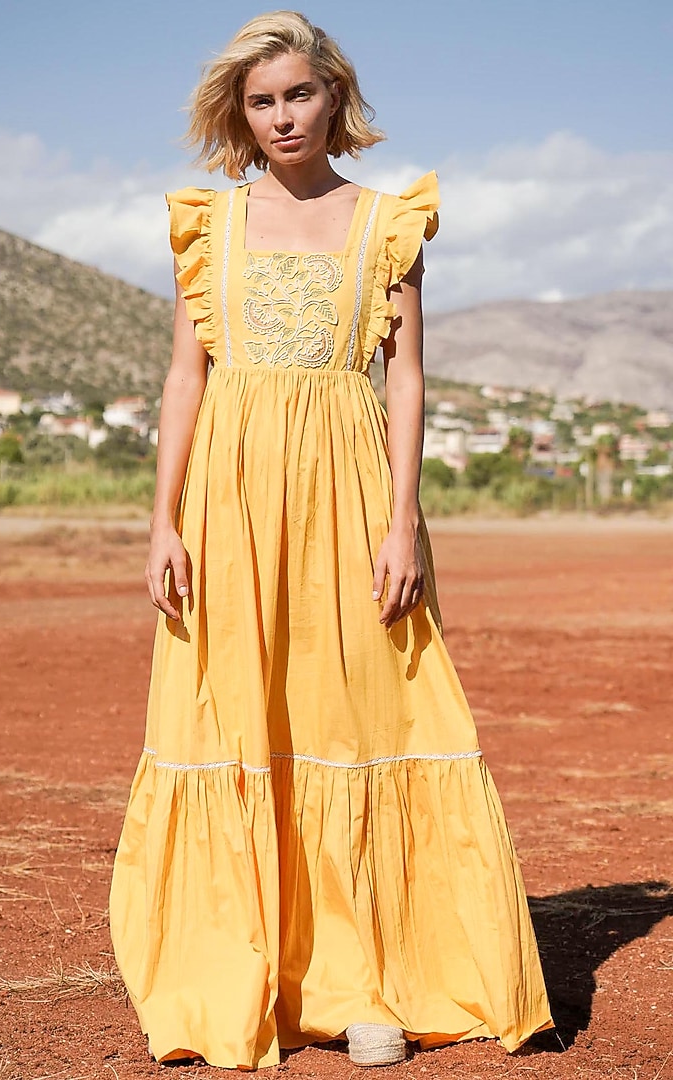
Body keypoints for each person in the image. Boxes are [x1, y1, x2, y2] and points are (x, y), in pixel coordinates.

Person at [109, 10, 553, 1070]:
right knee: (240, 719)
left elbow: (404, 379)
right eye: (261, 102)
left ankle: (363, 983)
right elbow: (187, 377)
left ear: (334, 96)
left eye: (298, 95)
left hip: (353, 491)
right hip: (230, 494)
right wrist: (162, 519)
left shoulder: (387, 219)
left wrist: (404, 520)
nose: (281, 117)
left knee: (360, 715)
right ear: (241, 113)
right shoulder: (208, 225)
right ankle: (250, 968)